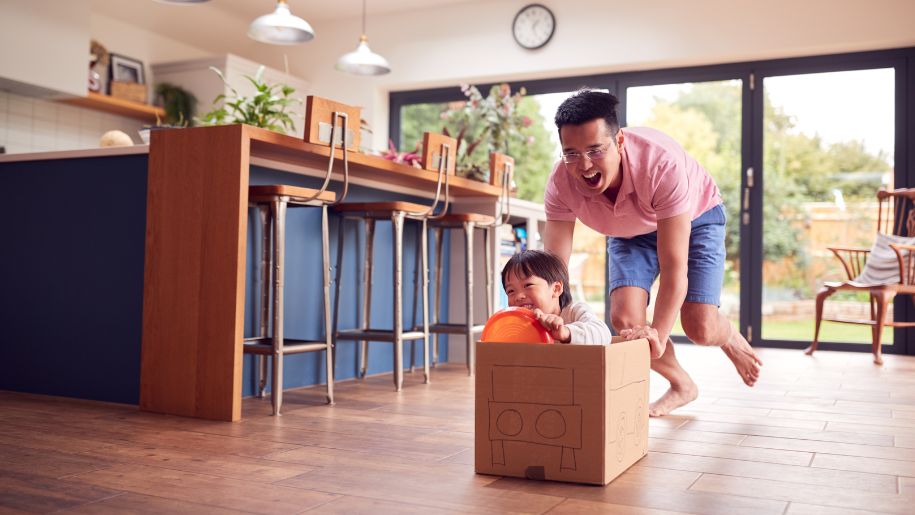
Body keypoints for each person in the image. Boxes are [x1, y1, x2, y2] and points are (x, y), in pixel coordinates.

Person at [543, 89, 762, 416]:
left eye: (595, 150)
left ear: (619, 141)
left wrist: (658, 332)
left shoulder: (660, 164)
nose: (584, 165)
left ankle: (728, 335)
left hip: (696, 217)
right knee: (626, 321)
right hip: (630, 232)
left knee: (700, 327)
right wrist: (547, 319)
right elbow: (553, 271)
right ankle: (682, 384)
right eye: (571, 153)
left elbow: (674, 268)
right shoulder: (561, 183)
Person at [501, 250, 612, 344]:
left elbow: (604, 334)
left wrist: (566, 332)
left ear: (556, 289)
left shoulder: (574, 312)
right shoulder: (515, 326)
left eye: (528, 285)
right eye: (510, 291)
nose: (518, 296)